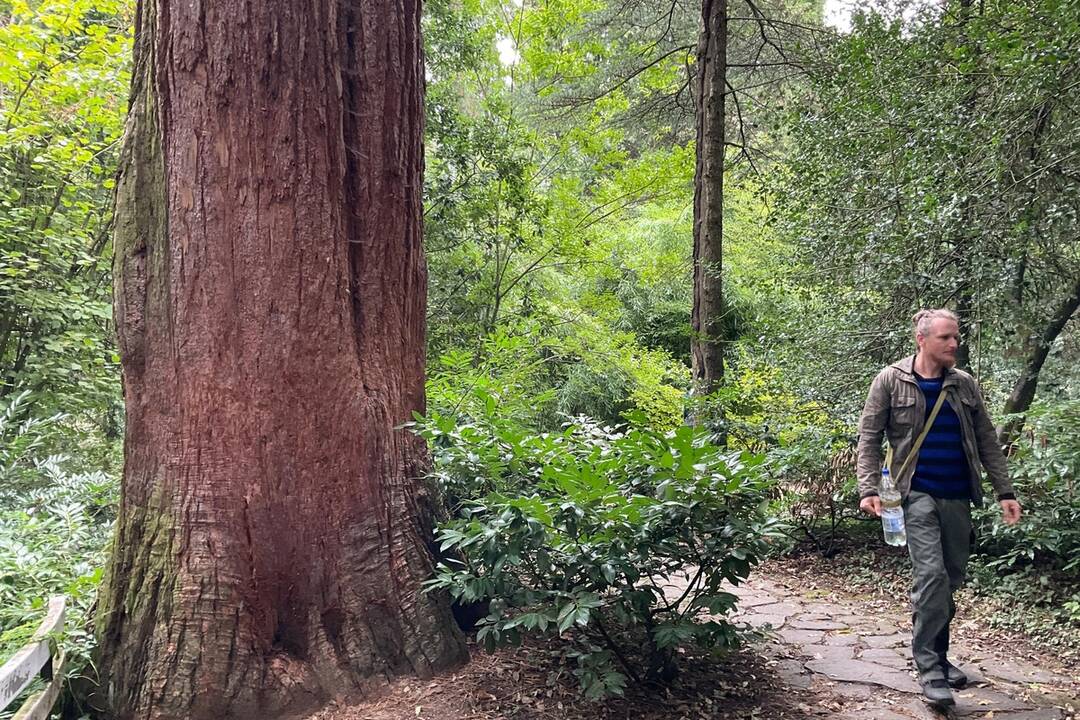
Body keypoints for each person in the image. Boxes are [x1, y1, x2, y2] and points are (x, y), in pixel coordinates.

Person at [856, 308, 1022, 708]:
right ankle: (930, 669)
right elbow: (869, 436)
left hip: (957, 495)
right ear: (922, 339)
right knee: (930, 575)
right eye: (946, 337)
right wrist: (867, 489)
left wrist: (1005, 492)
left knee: (949, 580)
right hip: (914, 494)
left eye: (956, 337)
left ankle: (940, 656)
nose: (954, 344)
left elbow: (986, 441)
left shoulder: (963, 385)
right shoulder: (891, 380)